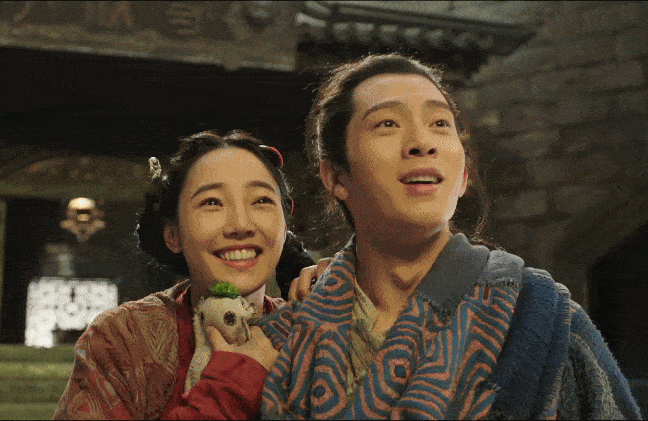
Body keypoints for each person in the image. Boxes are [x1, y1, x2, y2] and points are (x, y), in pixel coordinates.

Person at [257, 54, 642, 419]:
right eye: (387, 123)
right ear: (336, 177)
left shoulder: (542, 321)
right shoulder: (292, 333)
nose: (422, 142)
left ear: (462, 177)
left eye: (440, 123)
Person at [53, 130, 315, 419]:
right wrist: (233, 387)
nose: (241, 225)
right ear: (173, 235)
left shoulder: (311, 330)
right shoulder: (122, 339)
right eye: (212, 202)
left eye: (261, 200)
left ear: (284, 225)